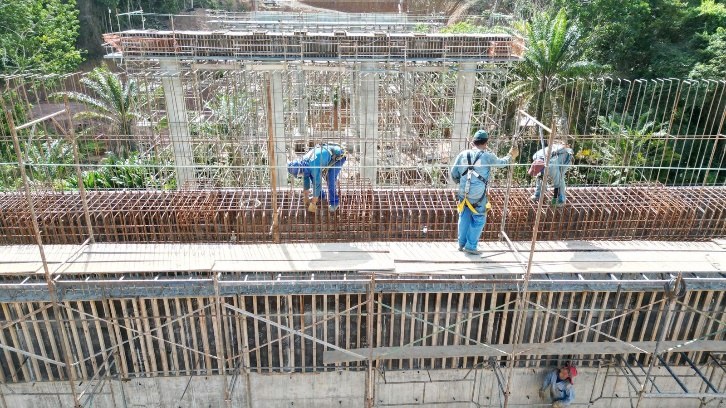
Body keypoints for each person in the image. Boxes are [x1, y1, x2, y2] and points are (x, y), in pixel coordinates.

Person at [450, 130, 518, 255]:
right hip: (477, 196)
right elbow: (501, 164)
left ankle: (461, 244)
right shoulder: (487, 156)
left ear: (473, 141)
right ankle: (471, 246)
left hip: (463, 194)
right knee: (479, 219)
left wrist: (462, 181)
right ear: (486, 143)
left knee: (464, 217)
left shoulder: (463, 154)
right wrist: (510, 155)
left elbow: (454, 173)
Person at [287, 143, 347, 213]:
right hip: (326, 155)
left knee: (330, 179)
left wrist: (313, 203)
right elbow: (306, 179)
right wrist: (306, 197)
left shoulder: (312, 166)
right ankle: (321, 196)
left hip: (338, 156)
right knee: (312, 177)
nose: (300, 175)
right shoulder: (303, 164)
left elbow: (317, 183)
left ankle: (334, 203)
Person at [528, 141, 574, 207]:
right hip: (554, 156)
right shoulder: (535, 156)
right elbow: (539, 177)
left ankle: (561, 200)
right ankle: (538, 195)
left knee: (560, 178)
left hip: (565, 157)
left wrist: (554, 198)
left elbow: (557, 182)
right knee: (539, 177)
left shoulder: (552, 167)